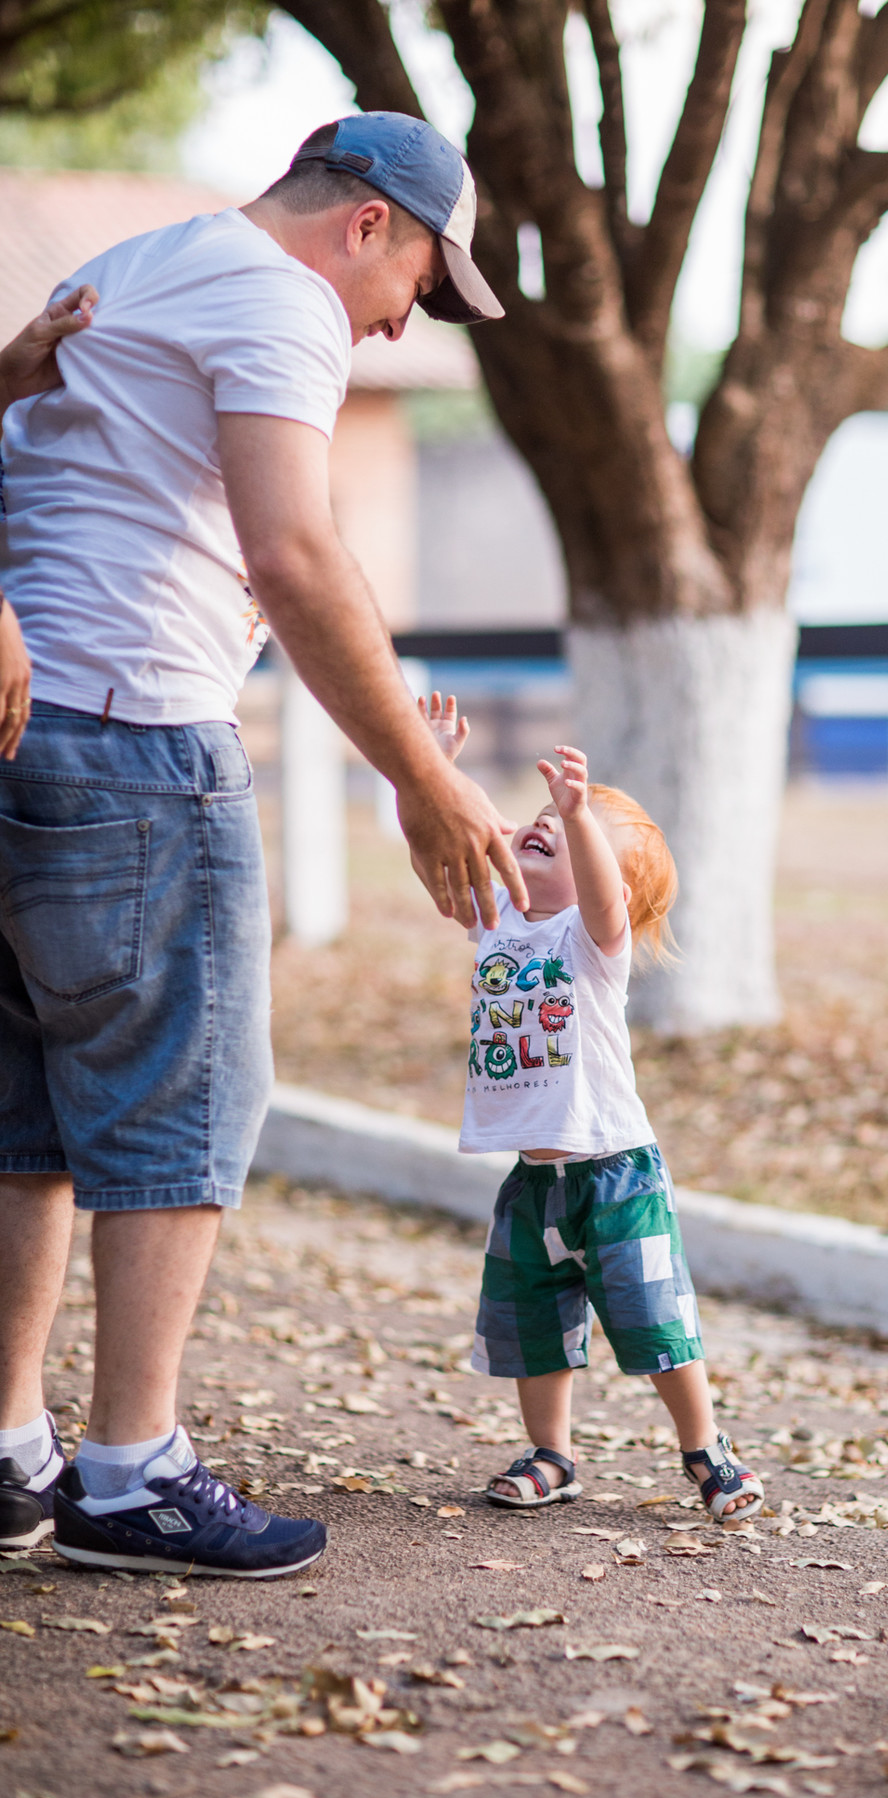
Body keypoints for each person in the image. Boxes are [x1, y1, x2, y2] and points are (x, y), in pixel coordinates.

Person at [0, 113, 528, 1577]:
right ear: (368, 225)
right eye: (424, 274)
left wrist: (386, 693)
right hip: (138, 744)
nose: (407, 314)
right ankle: (130, 1472)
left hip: (26, 735)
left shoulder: (143, 263)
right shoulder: (284, 296)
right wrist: (426, 785)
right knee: (182, 1105)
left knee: (29, 1111)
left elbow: (252, 543)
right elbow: (290, 550)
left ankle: (9, 1451)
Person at [421, 695, 764, 1520]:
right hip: (536, 1180)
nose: (544, 822)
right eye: (541, 816)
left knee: (655, 1325)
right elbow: (442, 855)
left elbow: (607, 902)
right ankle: (552, 1453)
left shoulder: (590, 943)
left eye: (572, 833)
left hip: (616, 1172)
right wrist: (431, 770)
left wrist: (580, 816)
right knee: (533, 1324)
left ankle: (704, 1448)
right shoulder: (498, 923)